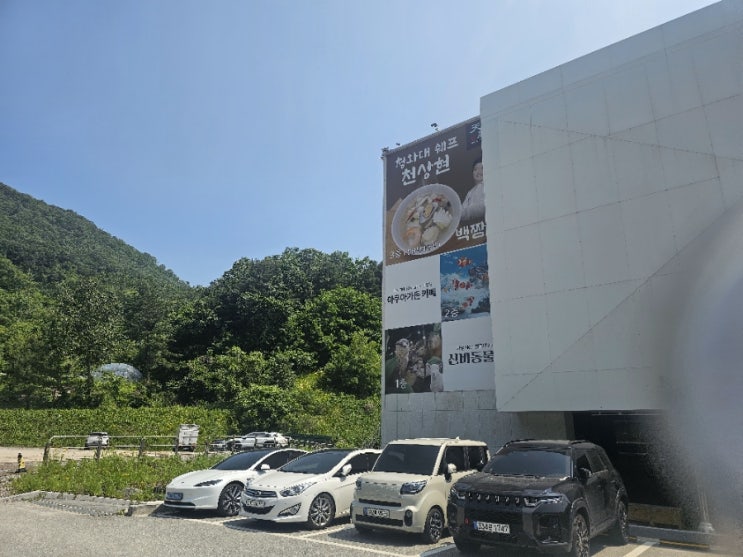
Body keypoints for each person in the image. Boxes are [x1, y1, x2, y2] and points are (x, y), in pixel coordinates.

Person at [461, 158, 485, 222]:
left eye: (482, 168)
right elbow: (462, 210)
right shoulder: (470, 192)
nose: (478, 172)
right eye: (475, 169)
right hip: (470, 225)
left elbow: (483, 207)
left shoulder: (489, 186)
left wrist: (464, 213)